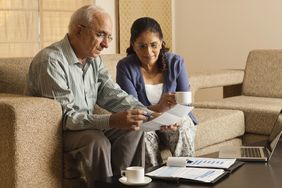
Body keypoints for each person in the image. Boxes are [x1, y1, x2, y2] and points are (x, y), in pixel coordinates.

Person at [26, 5, 153, 188]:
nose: (106, 44)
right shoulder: (51, 61)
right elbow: (66, 119)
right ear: (79, 30)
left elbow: (112, 94)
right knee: (96, 140)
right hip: (57, 132)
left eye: (109, 37)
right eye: (101, 35)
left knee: (134, 129)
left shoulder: (93, 60)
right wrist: (110, 120)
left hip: (84, 126)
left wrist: (147, 113)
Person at [116, 17, 198, 168]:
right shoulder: (125, 67)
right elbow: (132, 109)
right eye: (142, 46)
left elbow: (186, 102)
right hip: (147, 122)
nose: (148, 52)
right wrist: (159, 108)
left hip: (174, 118)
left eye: (154, 45)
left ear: (161, 42)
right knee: (142, 134)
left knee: (183, 124)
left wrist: (173, 116)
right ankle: (155, 178)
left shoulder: (175, 62)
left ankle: (190, 172)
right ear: (133, 45)